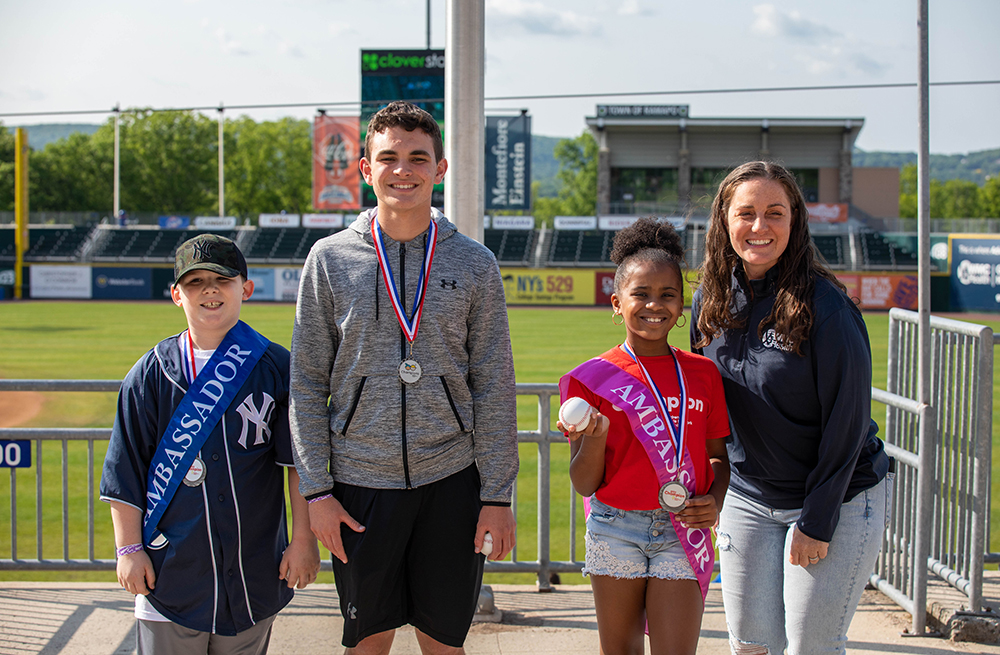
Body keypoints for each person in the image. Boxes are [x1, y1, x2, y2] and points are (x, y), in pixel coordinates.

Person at [289, 101, 518, 655]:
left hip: (451, 482)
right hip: (358, 485)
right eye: (387, 157)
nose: (403, 170)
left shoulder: (475, 263)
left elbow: (493, 383)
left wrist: (497, 495)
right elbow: (305, 383)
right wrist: (317, 491)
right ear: (365, 169)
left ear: (440, 168)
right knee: (367, 643)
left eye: (418, 158)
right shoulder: (329, 260)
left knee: (444, 643)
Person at [691, 161, 893, 655]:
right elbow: (708, 408)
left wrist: (817, 521)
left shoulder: (827, 307)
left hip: (836, 497)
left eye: (774, 213)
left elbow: (846, 423)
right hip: (750, 499)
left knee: (811, 647)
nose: (759, 227)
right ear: (724, 219)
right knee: (751, 645)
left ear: (795, 221)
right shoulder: (710, 301)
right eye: (747, 213)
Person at [100, 234, 320, 654]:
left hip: (253, 573)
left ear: (246, 288)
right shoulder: (150, 375)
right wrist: (128, 549)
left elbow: (299, 465)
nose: (210, 290)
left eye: (222, 279)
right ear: (176, 295)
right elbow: (124, 473)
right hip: (170, 577)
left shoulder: (274, 366)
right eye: (196, 282)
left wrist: (303, 540)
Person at [559, 217, 730, 655]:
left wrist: (716, 501)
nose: (654, 305)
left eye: (667, 295)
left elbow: (717, 457)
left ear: (681, 305)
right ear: (617, 303)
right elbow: (583, 483)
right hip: (615, 526)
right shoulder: (590, 380)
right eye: (641, 294)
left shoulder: (704, 373)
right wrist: (595, 436)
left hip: (682, 526)